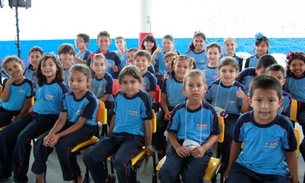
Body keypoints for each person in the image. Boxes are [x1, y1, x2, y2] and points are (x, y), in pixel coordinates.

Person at [0, 54, 70, 182]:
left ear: (57, 67)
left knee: (22, 138)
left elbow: (65, 113)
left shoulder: (62, 88)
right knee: (6, 133)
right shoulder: (39, 84)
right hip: (33, 115)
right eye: (44, 65)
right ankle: (4, 170)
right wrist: (21, 117)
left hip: (48, 118)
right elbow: (36, 103)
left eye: (50, 64)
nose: (47, 67)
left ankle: (19, 178)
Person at [84, 65, 153, 183]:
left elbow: (148, 121)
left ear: (140, 82)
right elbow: (115, 117)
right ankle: (105, 180)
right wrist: (109, 136)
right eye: (125, 82)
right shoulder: (119, 96)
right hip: (115, 135)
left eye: (133, 82)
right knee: (90, 157)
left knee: (120, 162)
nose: (129, 86)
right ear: (120, 83)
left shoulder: (143, 97)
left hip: (134, 138)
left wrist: (148, 144)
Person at [224, 75, 298, 183]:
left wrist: (295, 180)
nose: (264, 106)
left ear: (279, 102)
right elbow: (236, 143)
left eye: (271, 100)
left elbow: (291, 153)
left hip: (275, 173)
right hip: (244, 169)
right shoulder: (244, 120)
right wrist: (230, 166)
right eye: (258, 100)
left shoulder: (285, 125)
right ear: (250, 101)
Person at [32, 64, 98, 183]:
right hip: (70, 123)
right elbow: (62, 119)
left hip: (86, 127)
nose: (74, 84)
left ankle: (78, 176)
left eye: (79, 80)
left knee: (62, 146)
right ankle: (40, 177)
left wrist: (59, 135)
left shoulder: (90, 99)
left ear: (88, 81)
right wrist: (51, 134)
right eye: (71, 80)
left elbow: (80, 124)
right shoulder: (67, 96)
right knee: (41, 142)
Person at [158, 69, 220, 183]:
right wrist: (177, 147)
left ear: (205, 89)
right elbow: (171, 132)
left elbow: (215, 134)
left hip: (201, 148)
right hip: (181, 146)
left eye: (199, 85)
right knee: (167, 172)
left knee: (191, 176)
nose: (195, 89)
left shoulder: (210, 111)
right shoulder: (178, 110)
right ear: (184, 90)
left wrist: (204, 148)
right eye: (190, 85)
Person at [206, 57, 249, 170]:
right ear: (218, 71)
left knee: (229, 134)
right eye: (224, 71)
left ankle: (226, 163)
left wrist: (244, 98)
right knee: (203, 129)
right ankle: (205, 158)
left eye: (231, 71)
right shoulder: (214, 85)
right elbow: (206, 101)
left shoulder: (239, 88)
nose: (227, 74)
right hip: (214, 114)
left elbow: (244, 111)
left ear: (237, 73)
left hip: (232, 116)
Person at [154, 55, 195, 160]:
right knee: (157, 123)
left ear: (190, 69)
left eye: (185, 67)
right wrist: (167, 111)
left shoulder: (190, 83)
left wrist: (176, 113)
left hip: (184, 110)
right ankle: (160, 147)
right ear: (173, 67)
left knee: (182, 126)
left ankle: (181, 147)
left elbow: (190, 101)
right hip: (168, 108)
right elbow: (163, 99)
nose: (181, 69)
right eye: (179, 66)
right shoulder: (167, 81)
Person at [284, 51, 305, 170]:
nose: (297, 68)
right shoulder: (287, 79)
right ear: (289, 66)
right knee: (287, 127)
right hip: (290, 105)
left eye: (301, 64)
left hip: (304, 107)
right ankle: (289, 153)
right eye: (294, 65)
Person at [0, 56, 33, 127]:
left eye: (15, 66)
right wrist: (8, 84)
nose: (14, 70)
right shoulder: (6, 81)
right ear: (7, 73)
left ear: (21, 65)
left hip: (12, 113)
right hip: (2, 109)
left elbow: (28, 104)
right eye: (10, 69)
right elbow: (4, 99)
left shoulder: (28, 83)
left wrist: (19, 116)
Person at [90, 53, 114, 124]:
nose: (99, 67)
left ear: (105, 66)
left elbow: (106, 97)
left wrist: (94, 102)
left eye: (101, 64)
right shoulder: (91, 78)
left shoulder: (108, 78)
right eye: (96, 64)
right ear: (91, 66)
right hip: (96, 100)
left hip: (107, 102)